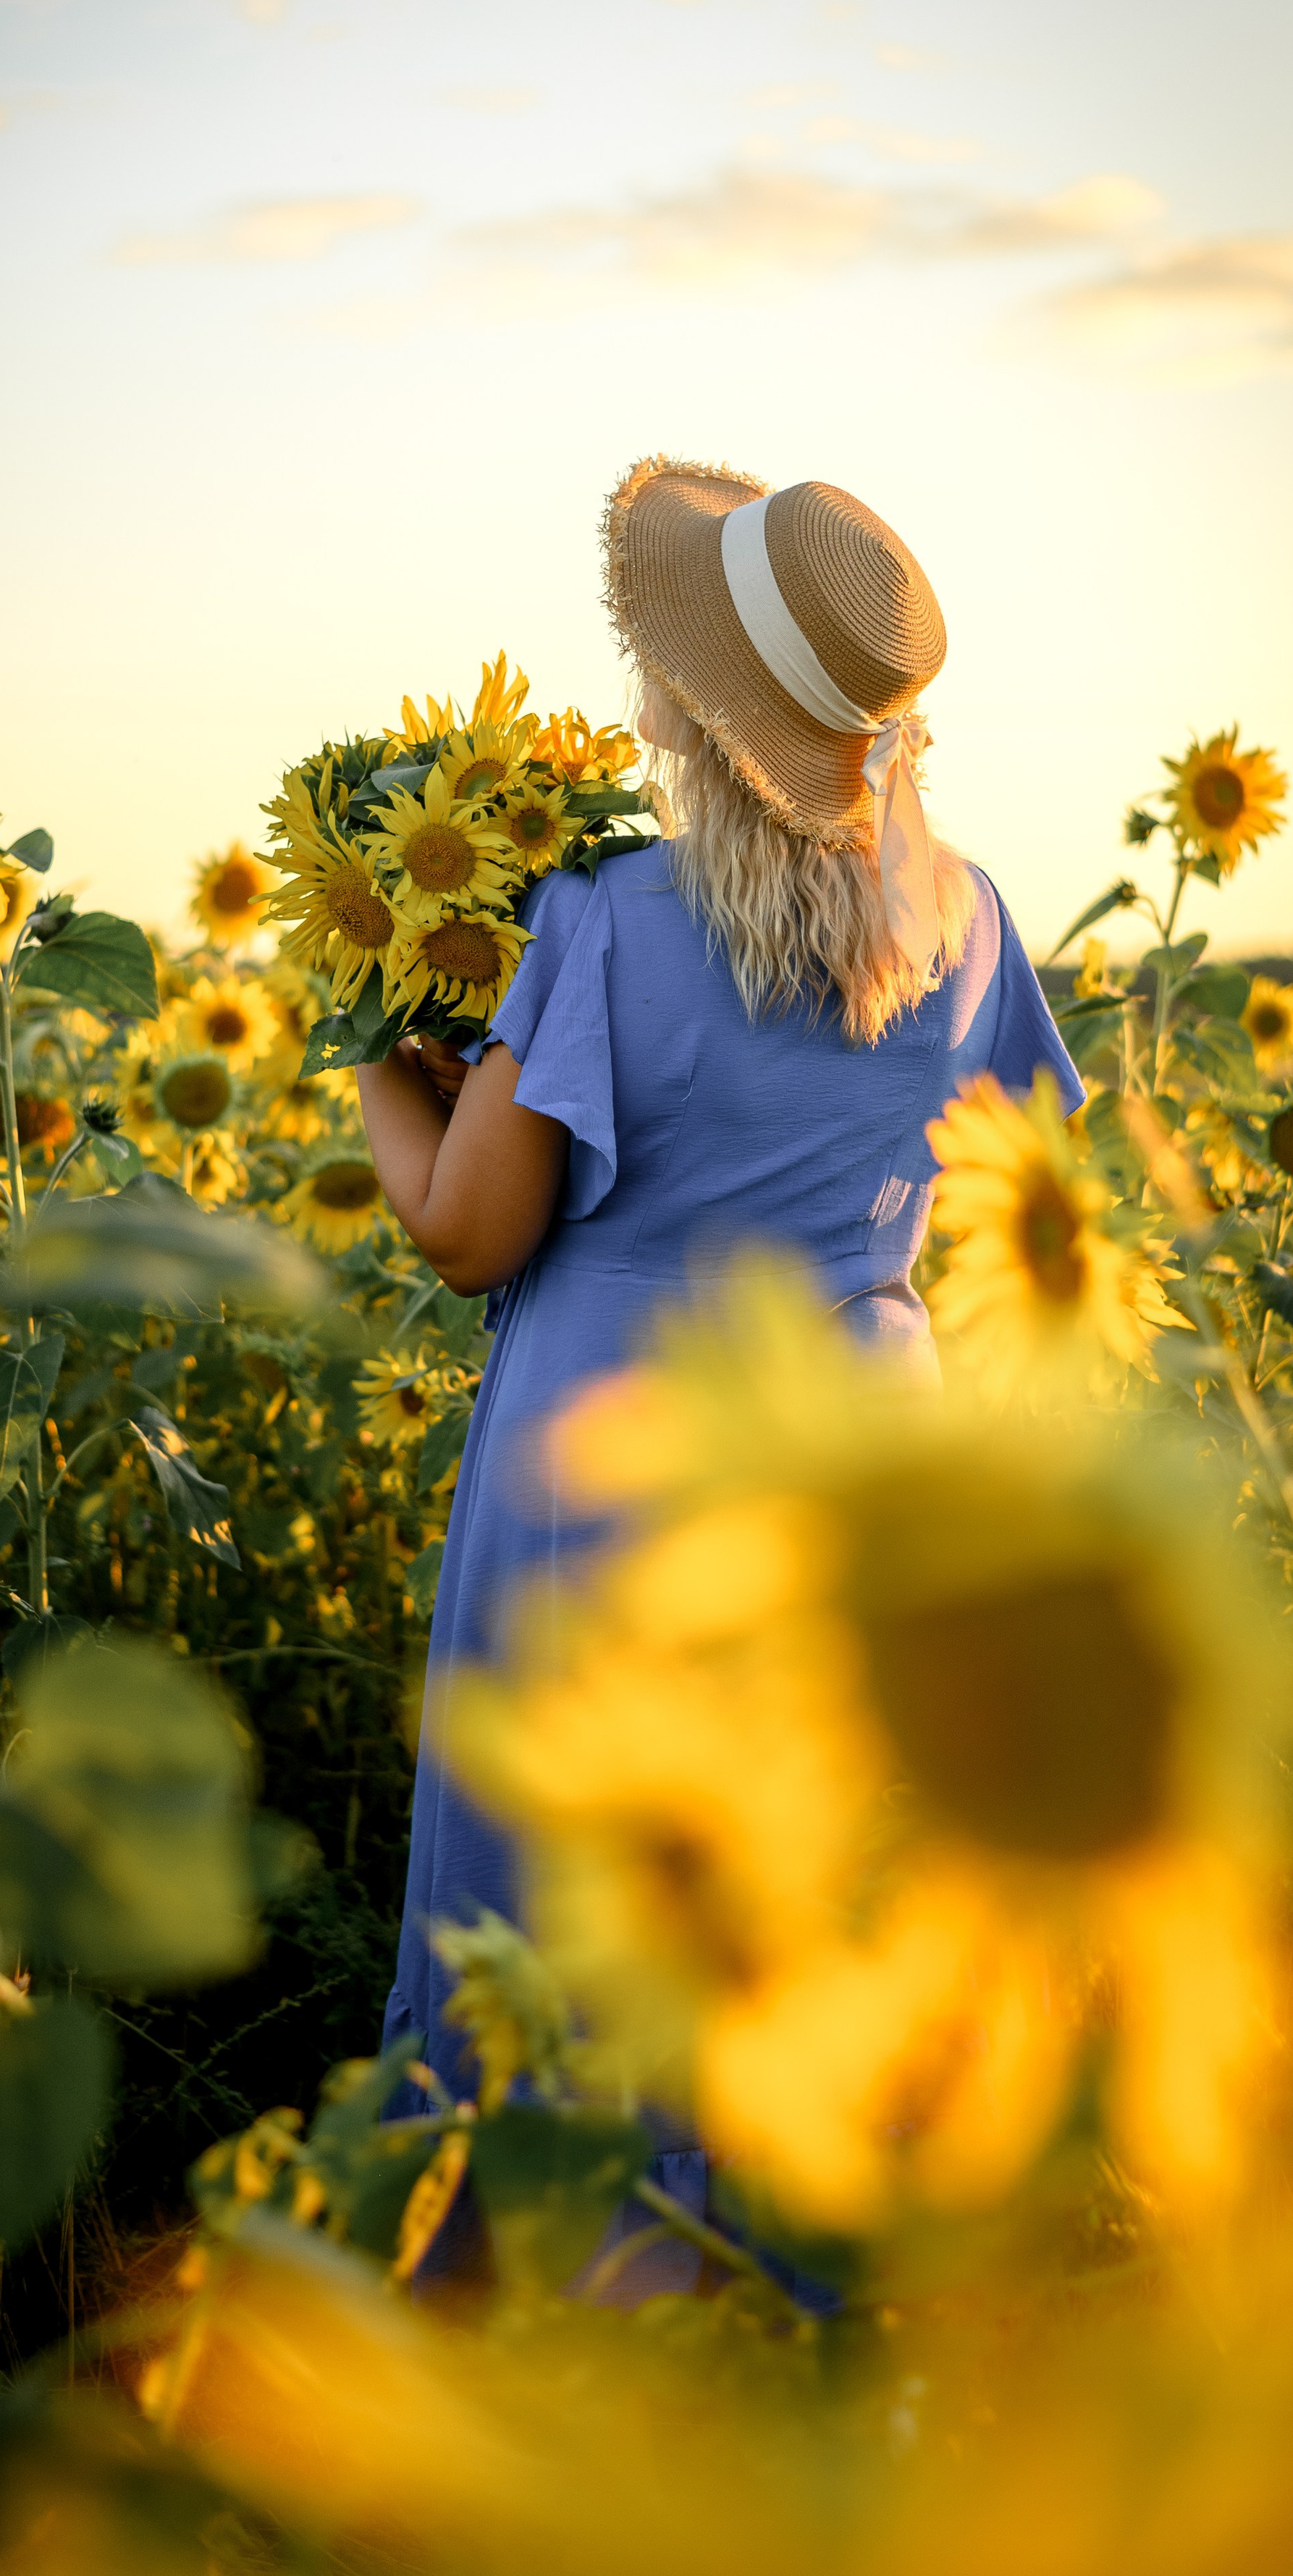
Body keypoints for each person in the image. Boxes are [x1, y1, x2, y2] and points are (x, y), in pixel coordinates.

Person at [356, 454, 1084, 2223]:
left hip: (604, 1476)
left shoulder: (605, 922)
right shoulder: (968, 923)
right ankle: (810, 2314)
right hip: (854, 1476)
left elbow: (464, 1229)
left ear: (688, 704)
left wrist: (375, 1045)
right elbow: (1017, 1201)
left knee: (569, 1923)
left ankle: (563, 2333)